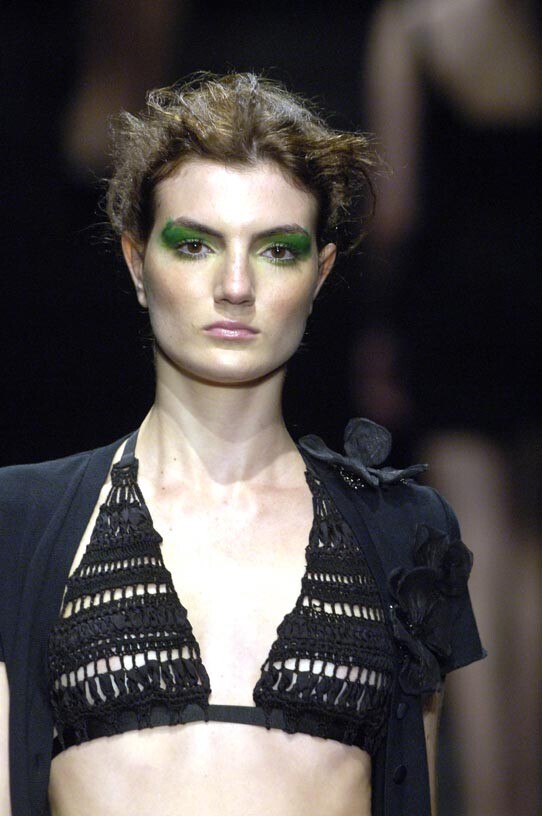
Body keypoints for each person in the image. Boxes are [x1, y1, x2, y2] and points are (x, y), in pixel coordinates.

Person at [0, 73, 484, 816]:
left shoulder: (407, 537)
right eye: (196, 244)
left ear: (319, 275)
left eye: (276, 250)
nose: (235, 285)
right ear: (137, 263)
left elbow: (412, 788)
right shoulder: (18, 522)